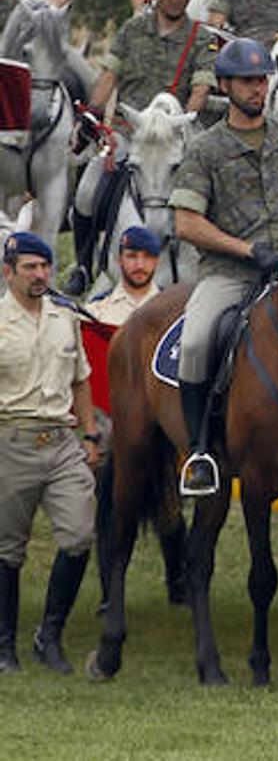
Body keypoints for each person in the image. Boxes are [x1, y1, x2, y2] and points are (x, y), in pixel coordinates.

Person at [168, 37, 278, 497]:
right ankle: (199, 452)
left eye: (262, 80)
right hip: (230, 274)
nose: (258, 89)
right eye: (247, 81)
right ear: (225, 85)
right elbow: (186, 223)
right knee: (196, 341)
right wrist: (247, 250)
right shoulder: (206, 149)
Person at [0, 232, 98, 675]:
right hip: (11, 440)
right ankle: (5, 648)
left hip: (61, 443)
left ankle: (49, 636)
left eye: (45, 267)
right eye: (30, 268)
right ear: (9, 272)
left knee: (79, 535)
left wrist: (92, 434)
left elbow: (81, 379)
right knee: (7, 550)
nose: (40, 276)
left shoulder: (65, 316)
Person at [92, 0, 218, 117]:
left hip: (171, 131)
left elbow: (201, 89)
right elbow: (109, 76)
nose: (174, 0)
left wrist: (184, 123)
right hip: (128, 128)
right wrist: (92, 113)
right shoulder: (131, 30)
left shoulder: (202, 39)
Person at [83, 227, 162, 326]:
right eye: (132, 256)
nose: (140, 265)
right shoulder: (96, 311)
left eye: (148, 257)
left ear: (157, 261)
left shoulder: (173, 307)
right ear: (120, 259)